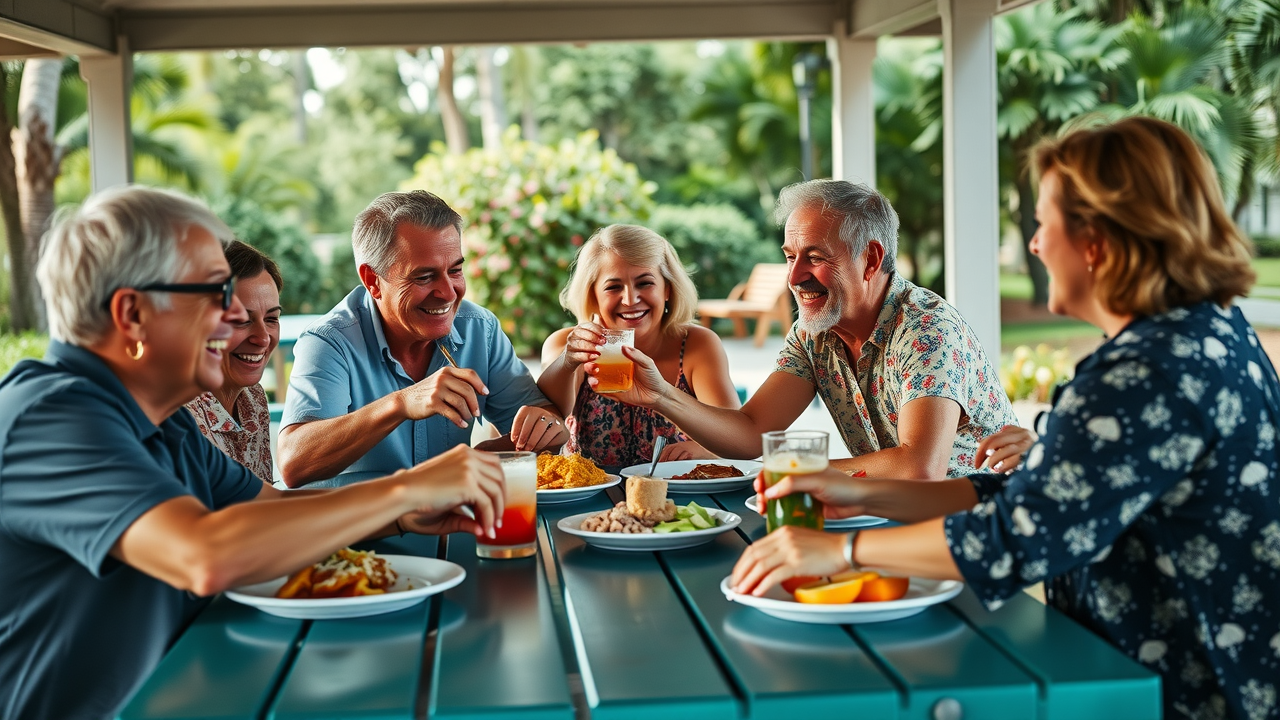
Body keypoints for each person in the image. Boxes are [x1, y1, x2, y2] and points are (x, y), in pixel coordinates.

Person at [730, 117, 1280, 720]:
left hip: (1186, 696)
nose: (1035, 246)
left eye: (1043, 225)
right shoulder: (1207, 335)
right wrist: (856, 491)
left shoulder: (1144, 376)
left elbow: (1018, 535)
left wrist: (843, 552)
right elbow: (1037, 494)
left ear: (1096, 239)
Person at [0, 186, 507, 720]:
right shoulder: (51, 417)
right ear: (132, 314)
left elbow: (269, 508)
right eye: (215, 294)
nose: (235, 320)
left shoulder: (160, 419)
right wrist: (405, 489)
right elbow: (202, 554)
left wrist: (404, 512)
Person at [594, 180, 1021, 478]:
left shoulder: (926, 329)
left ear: (871, 260)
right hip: (894, 515)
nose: (795, 277)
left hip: (982, 525)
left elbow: (920, 467)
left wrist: (795, 472)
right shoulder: (813, 333)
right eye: (789, 256)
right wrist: (660, 395)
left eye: (815, 257)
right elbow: (752, 432)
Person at [278, 190, 566, 488]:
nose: (448, 292)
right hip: (356, 519)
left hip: (452, 515)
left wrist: (529, 434)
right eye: (424, 277)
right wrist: (401, 403)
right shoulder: (328, 342)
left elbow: (549, 425)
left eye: (455, 270)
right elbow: (294, 463)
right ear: (372, 281)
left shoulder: (480, 329)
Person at [537, 224, 740, 468]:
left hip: (675, 490)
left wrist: (706, 451)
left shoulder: (698, 344)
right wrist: (569, 360)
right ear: (593, 295)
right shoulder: (568, 344)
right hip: (589, 491)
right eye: (613, 287)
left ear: (667, 289)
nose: (630, 300)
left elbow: (735, 437)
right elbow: (550, 413)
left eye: (644, 283)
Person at [184, 241, 282, 483]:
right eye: (240, 321)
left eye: (271, 319)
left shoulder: (253, 398)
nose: (263, 338)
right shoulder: (175, 416)